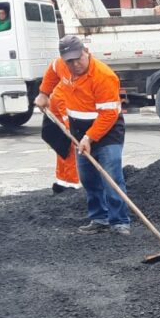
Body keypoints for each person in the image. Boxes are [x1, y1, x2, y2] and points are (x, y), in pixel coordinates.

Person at [34, 35, 129, 234]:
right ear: (63, 59)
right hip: (78, 129)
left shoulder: (104, 76)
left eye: (79, 58)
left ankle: (119, 221)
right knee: (87, 177)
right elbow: (52, 72)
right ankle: (99, 219)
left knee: (111, 176)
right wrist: (44, 94)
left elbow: (108, 114)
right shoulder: (60, 65)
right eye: (70, 60)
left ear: (86, 52)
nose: (75, 64)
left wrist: (89, 138)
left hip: (108, 129)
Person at [47, 86, 81, 195]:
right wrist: (75, 135)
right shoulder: (62, 94)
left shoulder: (60, 89)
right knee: (70, 154)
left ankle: (62, 182)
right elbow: (67, 118)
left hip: (57, 129)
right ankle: (72, 184)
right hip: (62, 129)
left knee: (62, 154)